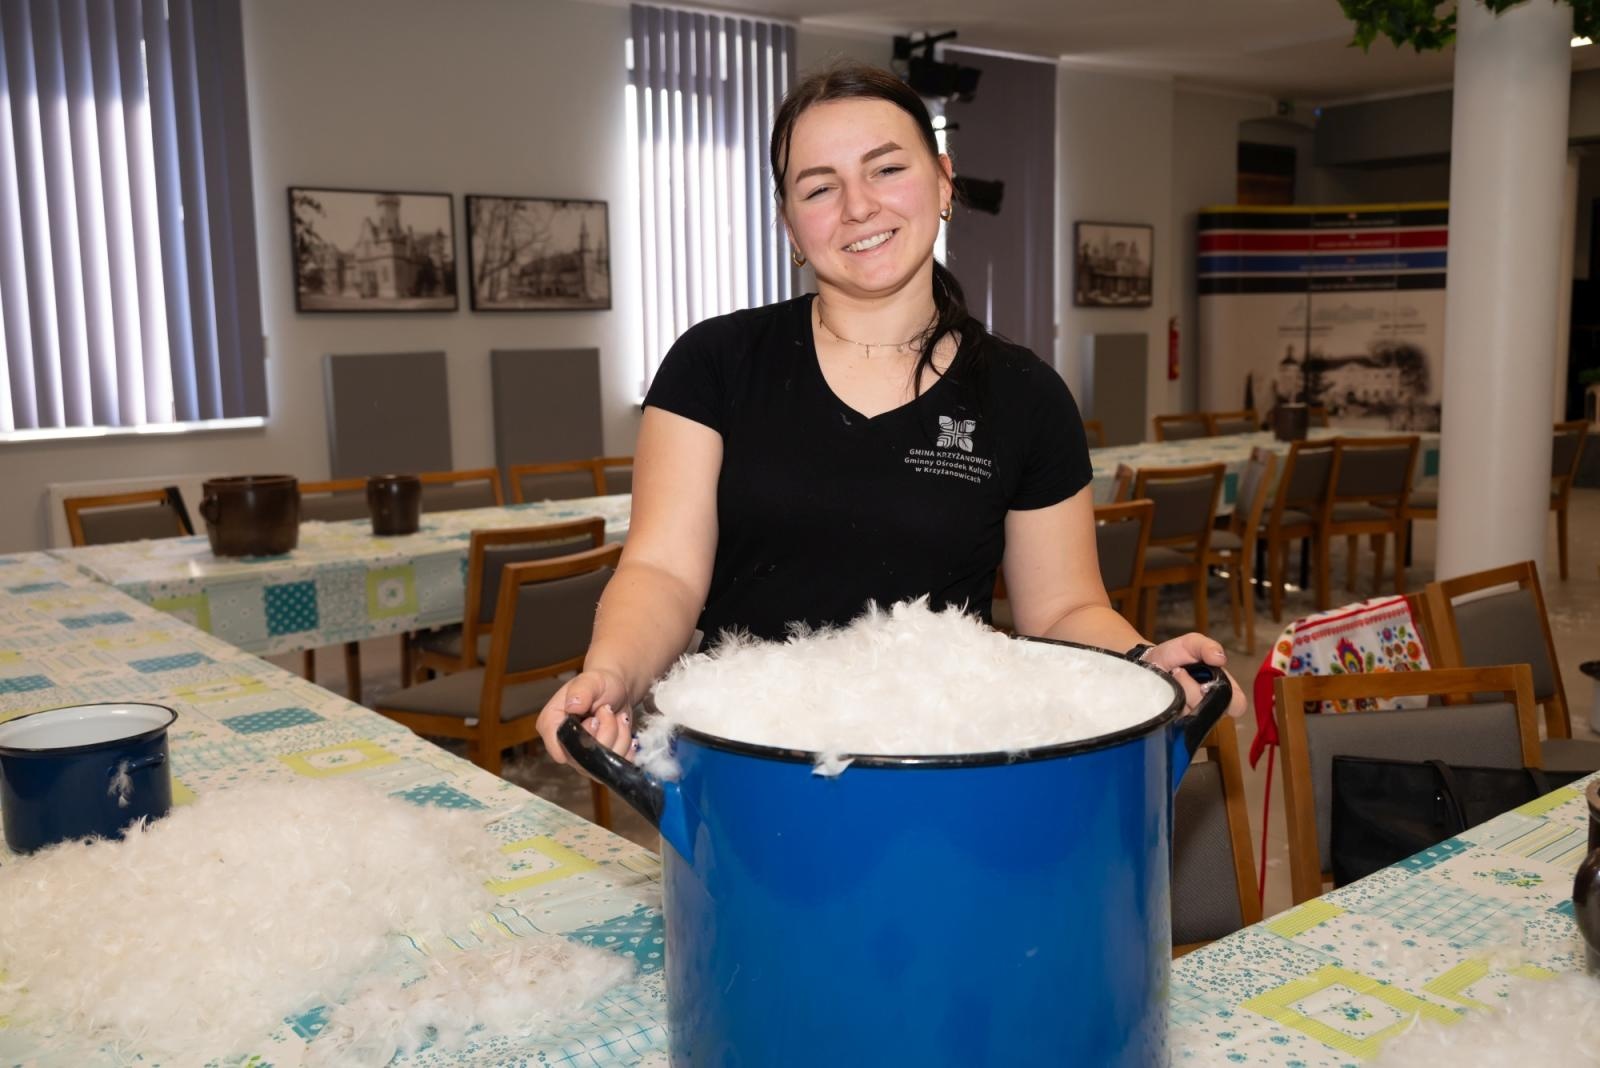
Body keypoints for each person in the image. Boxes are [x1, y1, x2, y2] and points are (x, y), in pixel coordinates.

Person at [536, 61, 1245, 765]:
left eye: (885, 169)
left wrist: (1146, 660)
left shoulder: (1024, 393)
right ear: (789, 226)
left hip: (941, 760)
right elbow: (663, 570)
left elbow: (1062, 610)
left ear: (943, 182)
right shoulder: (715, 362)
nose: (857, 207)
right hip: (745, 759)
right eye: (819, 187)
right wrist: (614, 673)